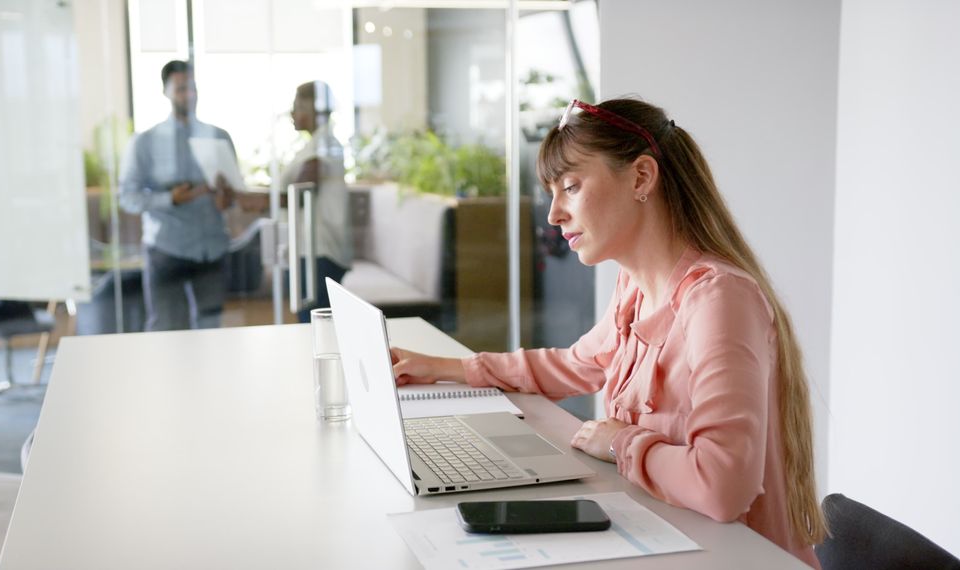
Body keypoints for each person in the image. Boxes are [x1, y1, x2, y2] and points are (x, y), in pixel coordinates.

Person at [391, 98, 826, 567]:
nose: (554, 214)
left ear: (641, 178)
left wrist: (620, 443)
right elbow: (574, 364)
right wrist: (443, 368)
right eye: (552, 193)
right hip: (674, 542)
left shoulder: (719, 299)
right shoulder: (635, 288)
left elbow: (723, 486)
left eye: (570, 187)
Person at [119, 60, 239, 331]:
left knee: (211, 332)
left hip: (212, 249)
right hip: (167, 250)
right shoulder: (145, 142)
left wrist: (225, 199)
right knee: (167, 331)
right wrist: (171, 198)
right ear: (166, 92)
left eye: (193, 87)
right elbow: (128, 197)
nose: (189, 95)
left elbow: (232, 196)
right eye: (181, 89)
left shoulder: (219, 137)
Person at [282, 81, 352, 322]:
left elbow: (299, 195)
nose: (292, 113)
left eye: (297, 106)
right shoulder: (316, 144)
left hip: (319, 252)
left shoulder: (324, 145)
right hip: (312, 250)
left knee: (313, 327)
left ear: (312, 109)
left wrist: (250, 200)